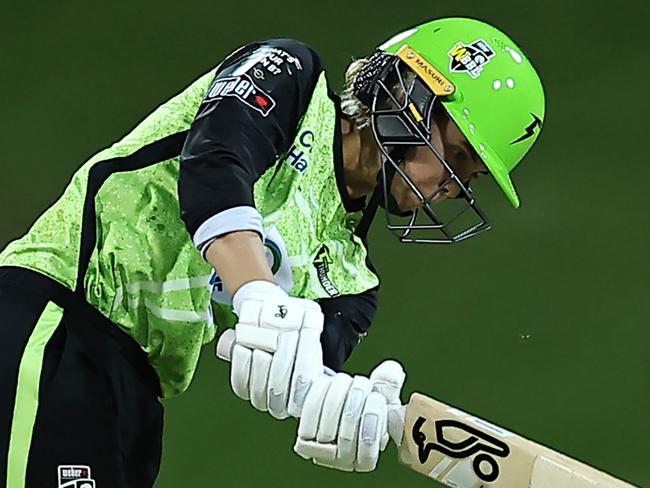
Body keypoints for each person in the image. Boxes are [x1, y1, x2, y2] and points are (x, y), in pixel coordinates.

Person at [0, 16, 545, 487]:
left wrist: (344, 408)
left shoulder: (351, 284)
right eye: (454, 155)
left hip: (136, 393)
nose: (449, 186)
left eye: (467, 178)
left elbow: (285, 374)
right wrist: (258, 293)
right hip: (51, 319)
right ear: (410, 98)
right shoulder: (290, 77)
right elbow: (215, 164)